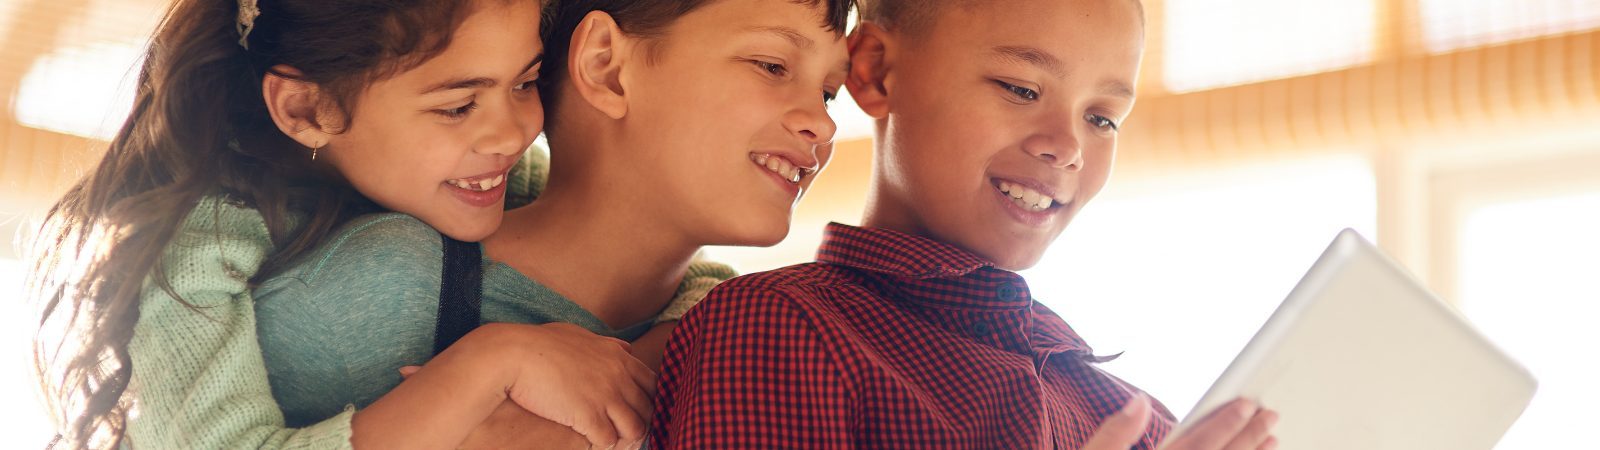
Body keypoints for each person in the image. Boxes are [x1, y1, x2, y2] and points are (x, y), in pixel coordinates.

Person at [649, 0, 1282, 448]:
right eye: (1020, 88)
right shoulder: (781, 328)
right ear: (873, 70)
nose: (1067, 146)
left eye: (1103, 118)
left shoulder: (1139, 422)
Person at [250, 0, 853, 448]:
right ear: (606, 67)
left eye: (829, 93)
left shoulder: (742, 331)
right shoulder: (383, 284)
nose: (823, 126)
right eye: (773, 65)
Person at [23, 0, 610, 447]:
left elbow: (622, 240)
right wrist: (493, 362)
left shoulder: (487, 170)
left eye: (525, 82)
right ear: (307, 109)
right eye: (458, 106)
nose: (513, 133)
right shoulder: (190, 255)